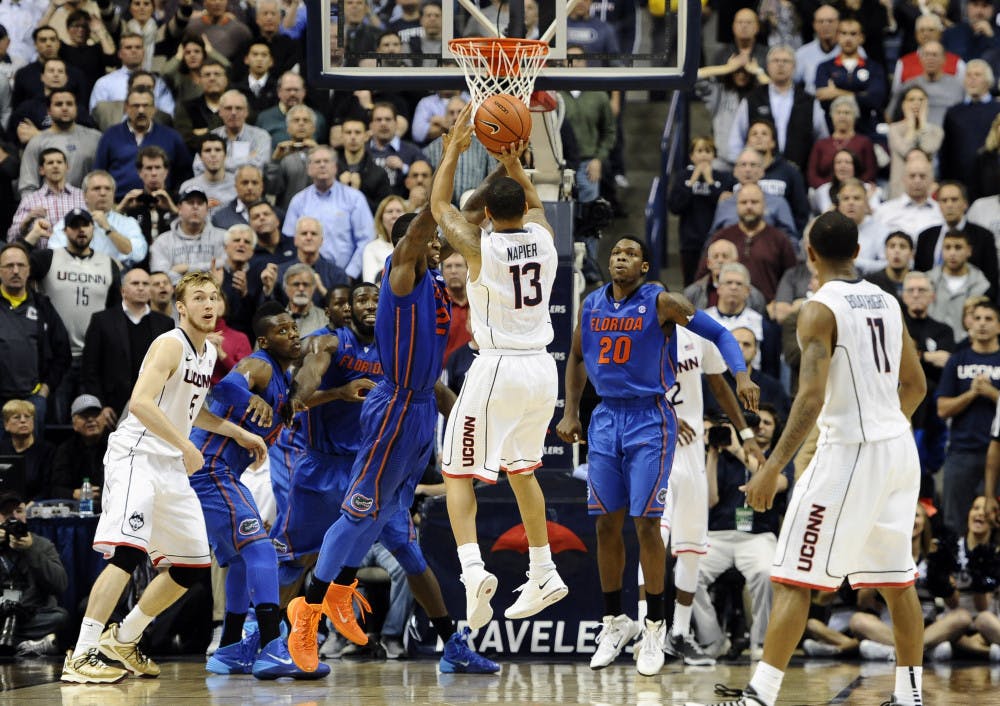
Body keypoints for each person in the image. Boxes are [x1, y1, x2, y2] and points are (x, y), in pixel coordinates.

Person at [703, 210, 927, 706]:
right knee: (896, 577)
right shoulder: (889, 302)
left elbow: (809, 398)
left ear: (809, 255)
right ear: (855, 251)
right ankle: (910, 696)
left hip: (850, 452)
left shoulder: (817, 308)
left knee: (792, 576)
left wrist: (770, 468)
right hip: (898, 450)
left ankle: (760, 695)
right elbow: (916, 385)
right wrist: (885, 424)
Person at [557, 236, 760, 675]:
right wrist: (572, 410)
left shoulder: (663, 302)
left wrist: (741, 376)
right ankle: (615, 622)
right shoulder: (591, 304)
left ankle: (655, 626)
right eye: (615, 254)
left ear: (645, 266)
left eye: (629, 254)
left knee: (647, 524)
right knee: (605, 524)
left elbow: (721, 333)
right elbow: (575, 356)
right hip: (606, 418)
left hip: (650, 418)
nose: (620, 259)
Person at [60, 272, 268, 684]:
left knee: (192, 565)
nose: (209, 304)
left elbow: (190, 410)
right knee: (127, 552)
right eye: (199, 298)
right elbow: (139, 403)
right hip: (137, 455)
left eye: (214, 297)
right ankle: (82, 653)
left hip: (170, 463)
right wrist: (187, 445)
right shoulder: (169, 343)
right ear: (181, 308)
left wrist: (236, 431)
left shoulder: (207, 352)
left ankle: (124, 638)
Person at [283, 207, 456, 673]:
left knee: (405, 547)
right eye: (432, 241)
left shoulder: (433, 287)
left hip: (414, 415)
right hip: (354, 441)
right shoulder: (337, 335)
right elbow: (308, 377)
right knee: (315, 542)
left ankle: (451, 644)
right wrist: (453, 154)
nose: (439, 247)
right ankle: (301, 616)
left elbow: (439, 386)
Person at [430, 108, 569, 638]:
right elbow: (532, 202)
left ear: (486, 212)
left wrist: (453, 152)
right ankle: (543, 570)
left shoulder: (479, 247)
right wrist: (514, 163)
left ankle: (472, 571)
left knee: (455, 470)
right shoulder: (543, 235)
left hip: (498, 369)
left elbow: (441, 205)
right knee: (521, 470)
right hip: (542, 371)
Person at [189, 302, 329, 679]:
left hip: (220, 474)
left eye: (294, 328)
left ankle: (230, 649)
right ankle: (270, 647)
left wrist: (340, 391)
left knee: (238, 560)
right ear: (265, 339)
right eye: (283, 331)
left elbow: (299, 402)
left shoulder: (281, 379)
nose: (293, 334)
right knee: (261, 549)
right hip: (210, 469)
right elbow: (225, 389)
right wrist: (246, 397)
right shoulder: (260, 364)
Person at [80, 268, 176, 425]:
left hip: (154, 406)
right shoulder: (102, 320)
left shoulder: (165, 323)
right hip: (112, 408)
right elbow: (90, 368)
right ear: (123, 290)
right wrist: (101, 406)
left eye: (145, 284)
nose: (141, 287)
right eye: (135, 283)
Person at [0, 492, 68, 657]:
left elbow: (60, 584)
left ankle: (12, 643)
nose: (14, 518)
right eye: (7, 513)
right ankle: (26, 646)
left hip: (31, 615)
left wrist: (31, 551)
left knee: (60, 618)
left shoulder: (41, 545)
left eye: (19, 511)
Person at [50, 394, 109, 504]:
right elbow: (56, 489)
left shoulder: (116, 446)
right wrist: (74, 493)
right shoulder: (65, 450)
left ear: (105, 420)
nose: (91, 419)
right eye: (84, 416)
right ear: (74, 424)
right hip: (78, 509)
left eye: (95, 415)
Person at [0, 400, 56, 502]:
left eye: (27, 416)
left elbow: (49, 487)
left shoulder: (47, 450)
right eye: (17, 417)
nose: (23, 421)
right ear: (6, 424)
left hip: (35, 505)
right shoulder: (1, 449)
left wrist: (33, 503)